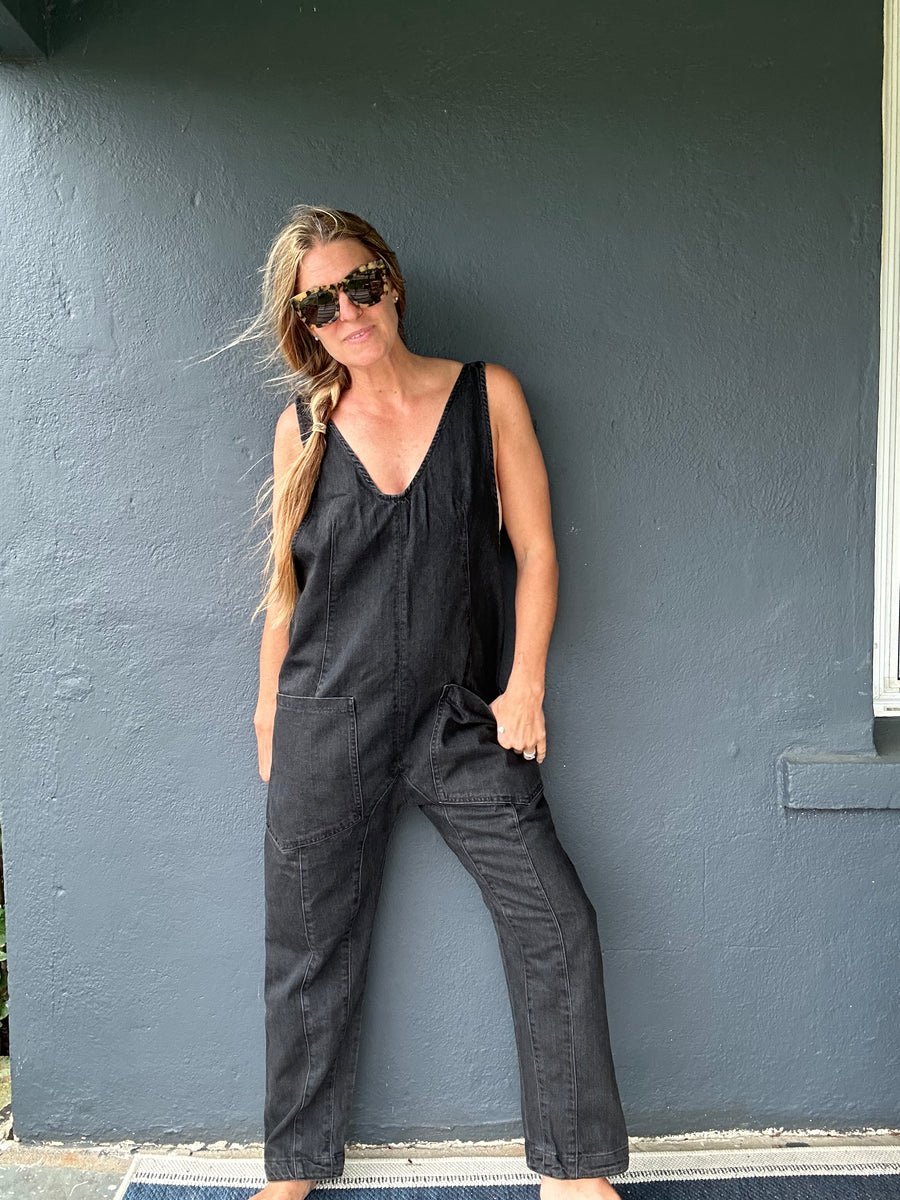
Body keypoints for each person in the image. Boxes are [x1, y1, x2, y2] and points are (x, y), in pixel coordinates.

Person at [242, 205, 629, 1200]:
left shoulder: (485, 395)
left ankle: (573, 1171)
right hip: (327, 713)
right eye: (320, 304)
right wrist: (267, 708)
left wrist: (525, 683)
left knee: (556, 920)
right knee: (308, 948)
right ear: (304, 323)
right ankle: (293, 1170)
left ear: (392, 280)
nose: (347, 311)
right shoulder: (302, 428)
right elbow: (286, 591)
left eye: (359, 284)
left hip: (459, 717)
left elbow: (536, 551)